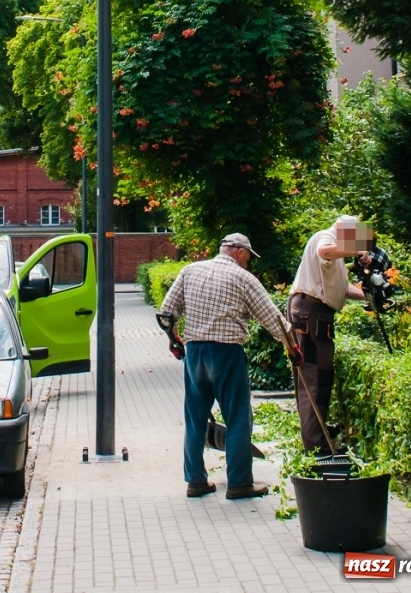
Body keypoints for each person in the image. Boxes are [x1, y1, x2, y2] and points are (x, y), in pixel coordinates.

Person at [159, 231, 297, 500]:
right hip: (227, 353)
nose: (249, 263)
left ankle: (196, 481)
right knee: (237, 418)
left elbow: (166, 312)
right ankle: (239, 483)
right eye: (248, 258)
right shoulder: (244, 278)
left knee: (195, 417)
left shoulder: (190, 271)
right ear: (240, 252)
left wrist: (174, 340)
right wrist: (292, 347)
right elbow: (273, 318)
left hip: (196, 351)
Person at [287, 214, 374, 452]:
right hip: (310, 314)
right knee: (314, 377)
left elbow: (343, 288)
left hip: (317, 315)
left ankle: (318, 434)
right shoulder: (325, 237)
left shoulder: (336, 254)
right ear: (346, 231)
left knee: (322, 376)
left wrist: (371, 296)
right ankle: (316, 446)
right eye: (355, 237)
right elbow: (325, 251)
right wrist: (356, 249)